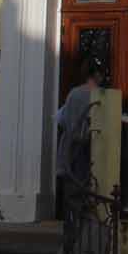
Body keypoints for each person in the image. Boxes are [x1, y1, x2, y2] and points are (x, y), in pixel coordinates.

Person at [52, 66, 103, 214]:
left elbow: (63, 119)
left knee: (71, 185)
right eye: (101, 75)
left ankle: (71, 222)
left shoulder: (73, 93)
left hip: (70, 144)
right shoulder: (98, 95)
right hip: (88, 144)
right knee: (84, 183)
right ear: (96, 75)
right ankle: (82, 222)